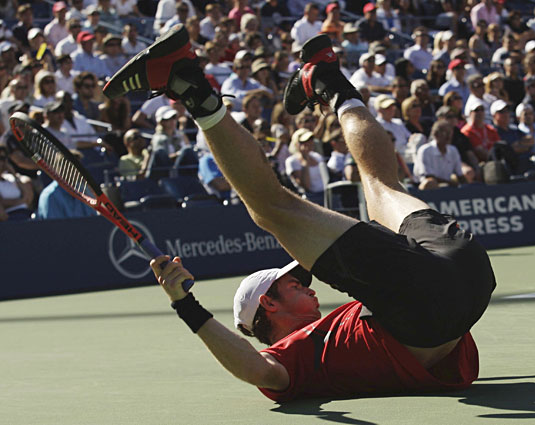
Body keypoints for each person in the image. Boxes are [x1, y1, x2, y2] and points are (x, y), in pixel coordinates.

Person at [105, 27, 495, 402]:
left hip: (459, 276)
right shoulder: (294, 357)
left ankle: (328, 84)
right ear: (268, 304)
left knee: (381, 187)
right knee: (273, 209)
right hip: (452, 290)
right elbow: (258, 370)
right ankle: (196, 83)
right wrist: (184, 304)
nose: (308, 285)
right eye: (292, 284)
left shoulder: (350, 320)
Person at [37, 150, 98, 219]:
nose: (79, 171)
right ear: (62, 169)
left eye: (79, 167)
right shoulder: (51, 195)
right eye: (74, 167)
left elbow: (93, 218)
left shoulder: (85, 190)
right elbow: (54, 225)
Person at [413, 120, 466, 190]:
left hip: (447, 186)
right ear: (435, 134)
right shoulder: (425, 150)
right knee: (430, 182)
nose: (448, 136)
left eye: (450, 132)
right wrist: (451, 183)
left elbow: (460, 175)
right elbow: (428, 177)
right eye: (445, 132)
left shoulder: (453, 150)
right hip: (423, 189)